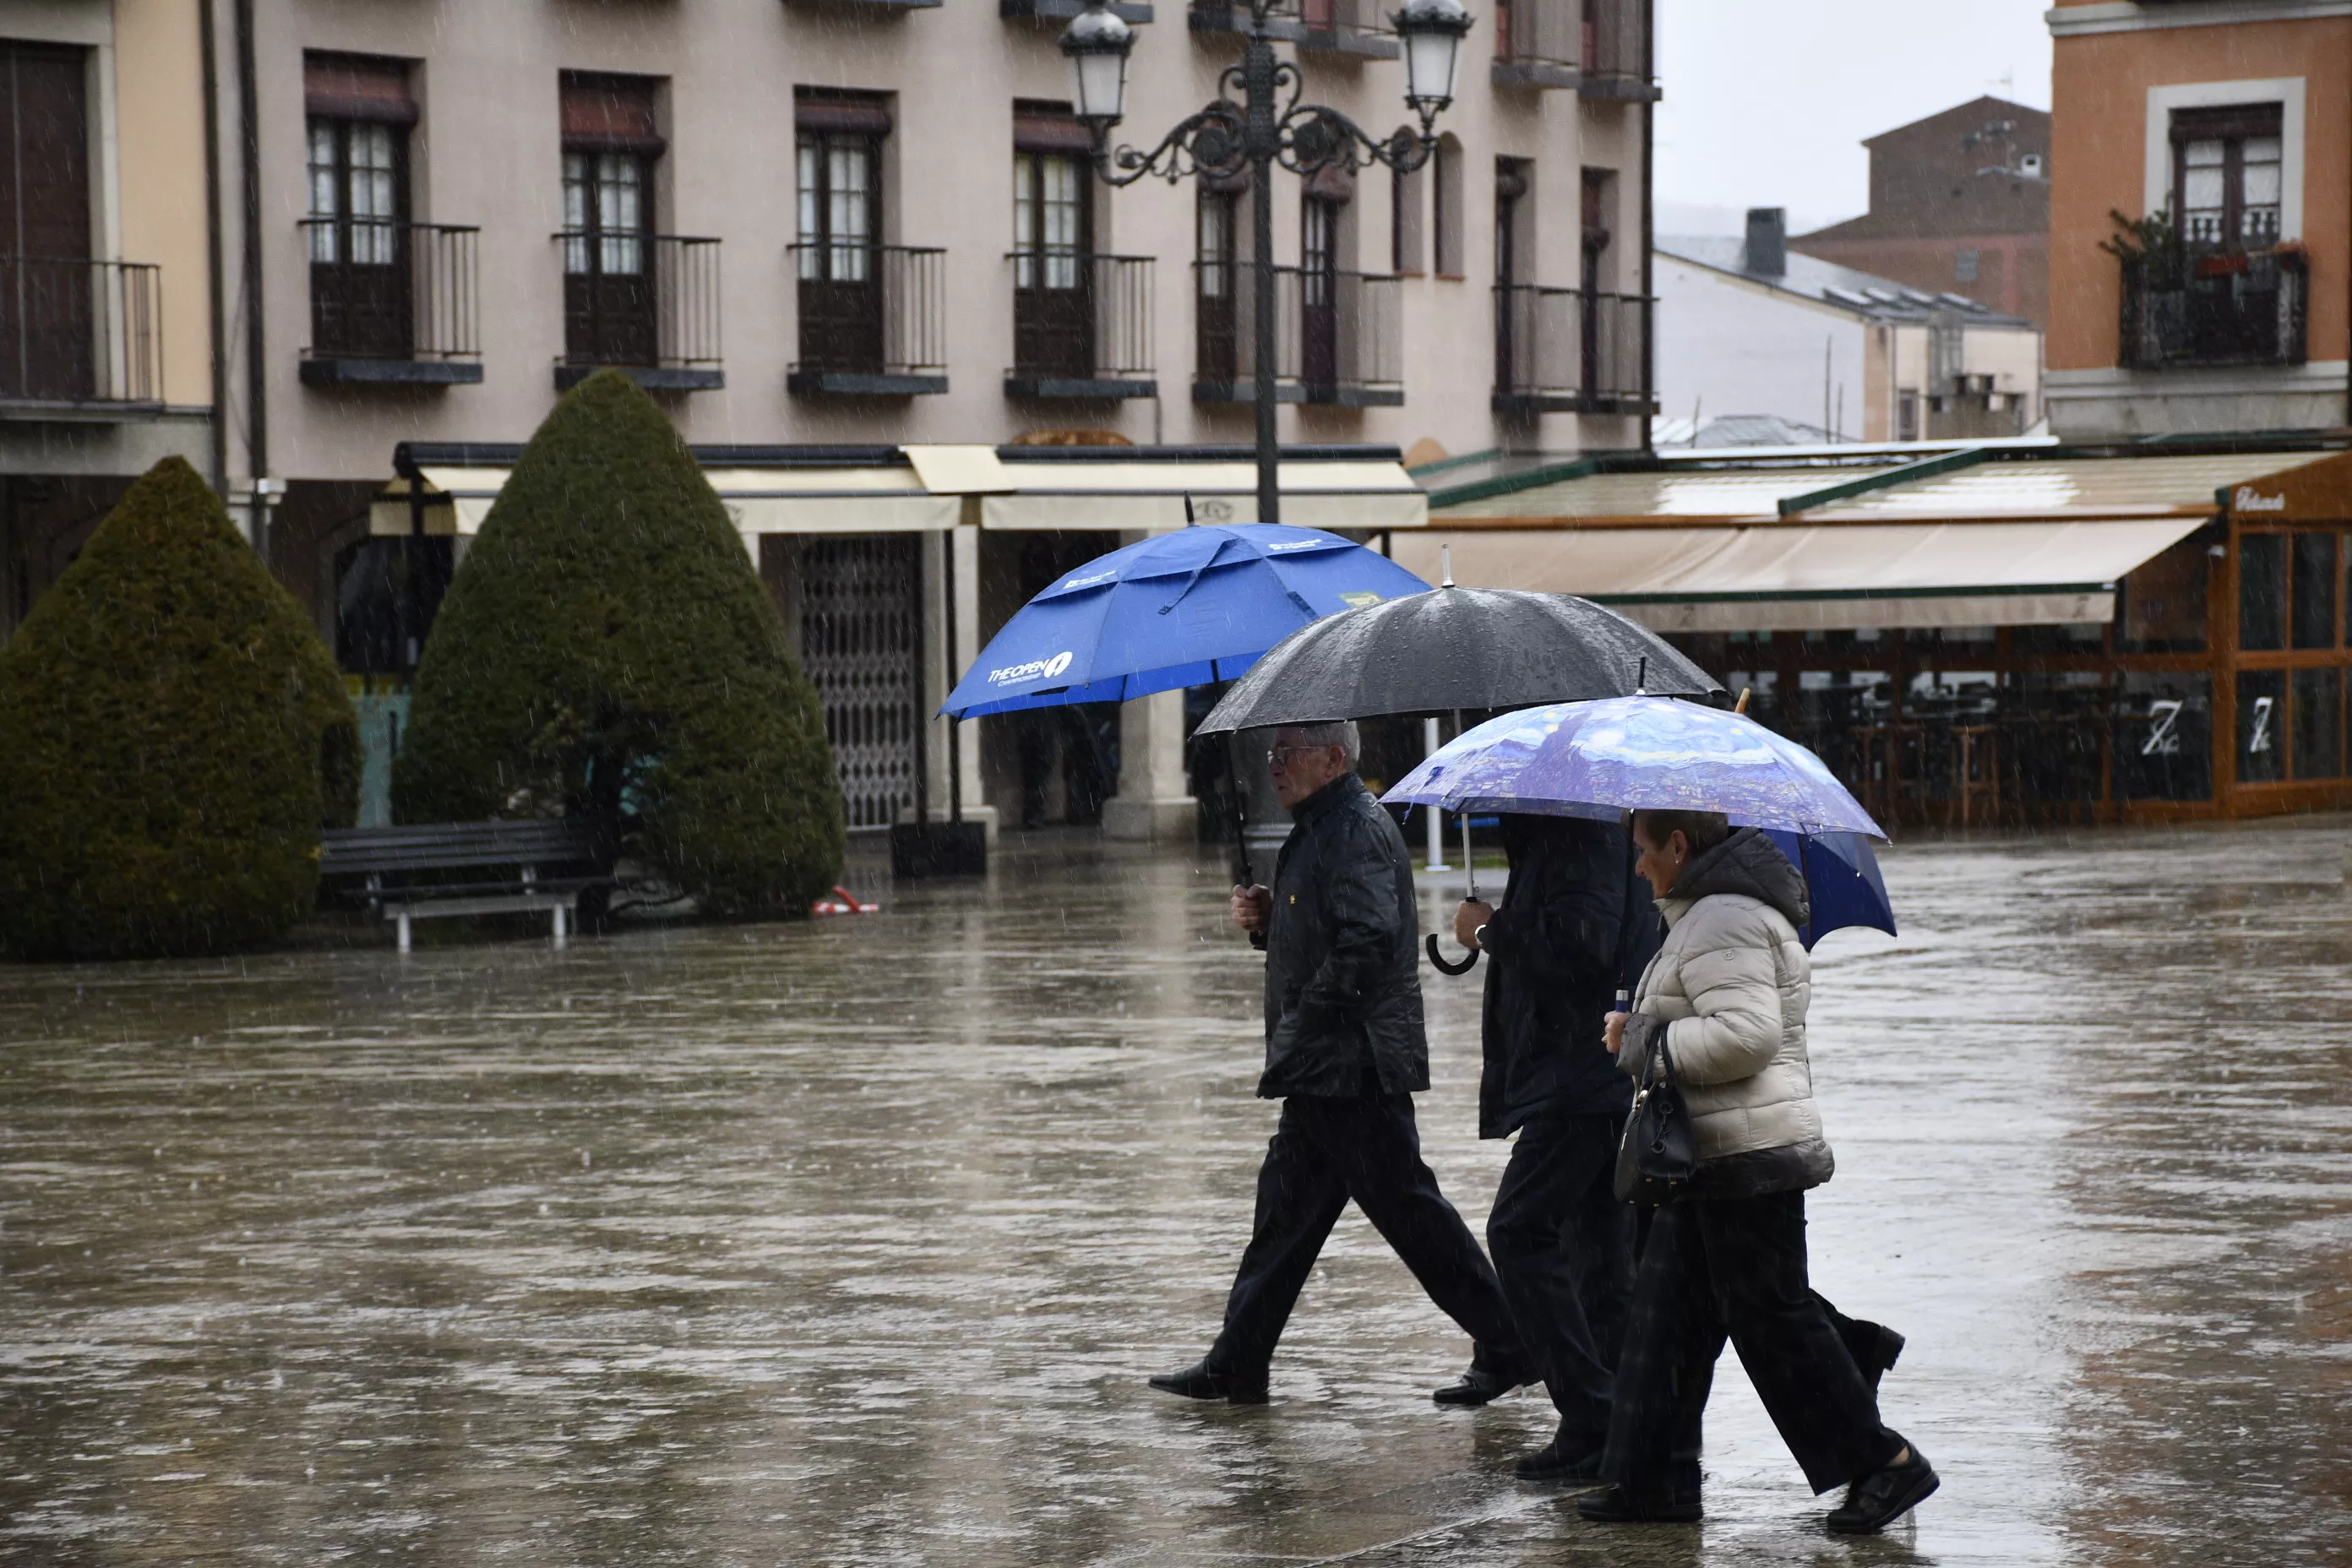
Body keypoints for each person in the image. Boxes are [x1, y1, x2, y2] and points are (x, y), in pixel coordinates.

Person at [1148, 721, 1529, 1405]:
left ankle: (1510, 1340)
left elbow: (1369, 941)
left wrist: (1306, 1019)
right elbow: (1329, 926)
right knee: (1285, 1216)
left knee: (1411, 1214)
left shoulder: (1352, 827)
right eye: (1271, 755)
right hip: (1324, 1067)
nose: (1273, 766)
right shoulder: (1323, 824)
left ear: (1332, 758)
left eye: (1287, 754)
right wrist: (1269, 920)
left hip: (1352, 1068)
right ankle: (1239, 1358)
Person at [1580, 809, 1937, 1535]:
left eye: (1645, 850)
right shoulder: (1704, 915)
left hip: (1747, 1160)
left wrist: (1641, 1037)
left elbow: (1747, 1037)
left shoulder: (1724, 920)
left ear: (1680, 846)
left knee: (1769, 1319)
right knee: (1668, 1320)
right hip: (1710, 1155)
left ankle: (1886, 1461)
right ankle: (1655, 1479)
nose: (1638, 867)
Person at [1444, 814, 1658, 1479]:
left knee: (1520, 1230)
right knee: (1600, 1257)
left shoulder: (1579, 835)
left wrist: (1489, 929)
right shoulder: (1567, 831)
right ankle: (1626, 1430)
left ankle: (1596, 1414)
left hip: (1580, 1075)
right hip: (1584, 1074)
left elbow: (1582, 949)